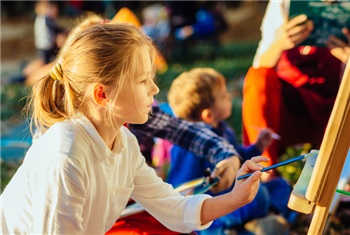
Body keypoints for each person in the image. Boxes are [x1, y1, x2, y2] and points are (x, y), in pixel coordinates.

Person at [0, 23, 268, 234]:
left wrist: (236, 197)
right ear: (102, 94)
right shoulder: (66, 155)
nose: (154, 88)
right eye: (142, 80)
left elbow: (174, 208)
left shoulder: (124, 142)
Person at [166, 68, 292, 235]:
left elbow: (239, 158)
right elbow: (181, 187)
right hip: (215, 206)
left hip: (237, 196)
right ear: (208, 115)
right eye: (224, 96)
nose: (230, 97)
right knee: (258, 195)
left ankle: (266, 218)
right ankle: (256, 223)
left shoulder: (224, 129)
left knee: (280, 185)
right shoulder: (188, 147)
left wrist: (257, 146)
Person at [242, 0, 350, 169]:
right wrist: (279, 44)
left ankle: (339, 171)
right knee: (257, 77)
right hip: (289, 105)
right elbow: (260, 66)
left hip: (335, 108)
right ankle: (263, 171)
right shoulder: (283, 4)